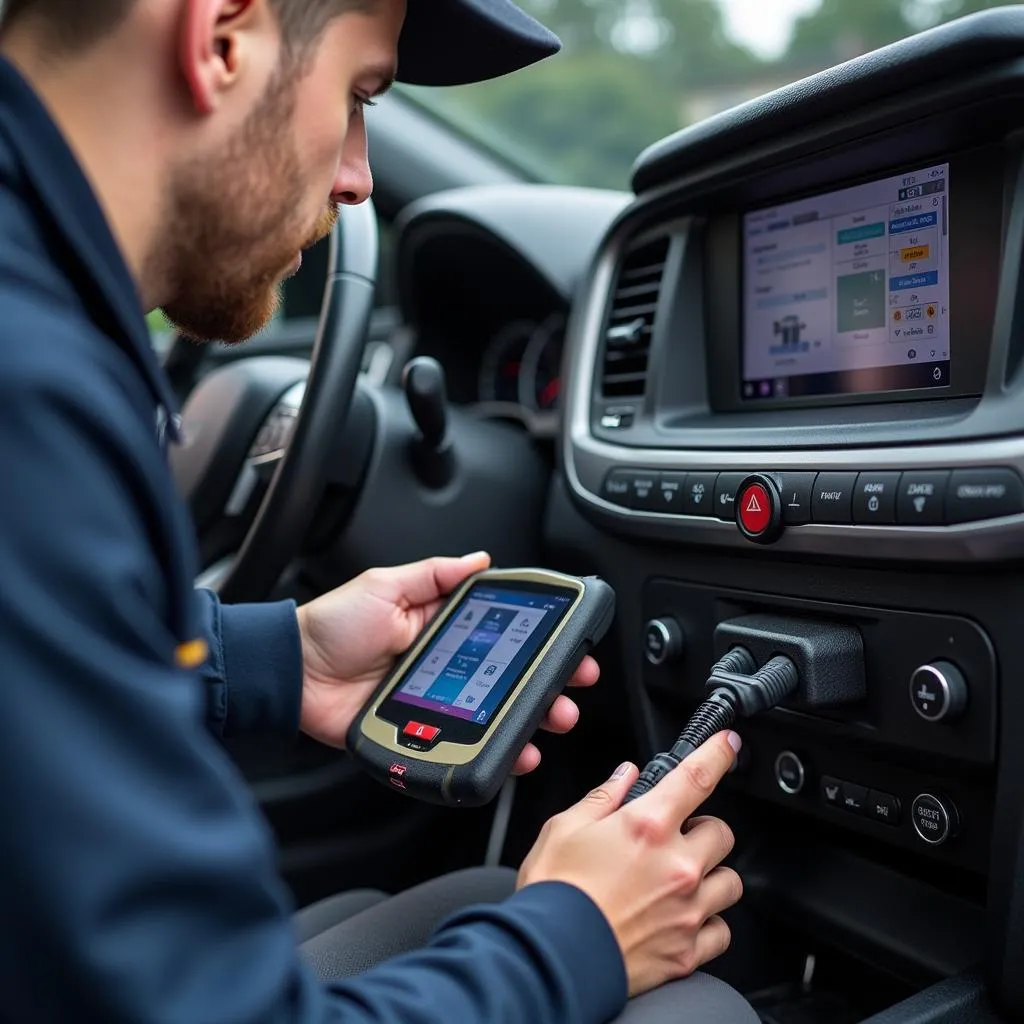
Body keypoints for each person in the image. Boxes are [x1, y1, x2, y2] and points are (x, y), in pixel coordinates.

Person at [0, 0, 759, 1021]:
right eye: (359, 96)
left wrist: (276, 657)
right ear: (220, 37)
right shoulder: (33, 401)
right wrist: (575, 934)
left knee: (475, 899)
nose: (358, 174)